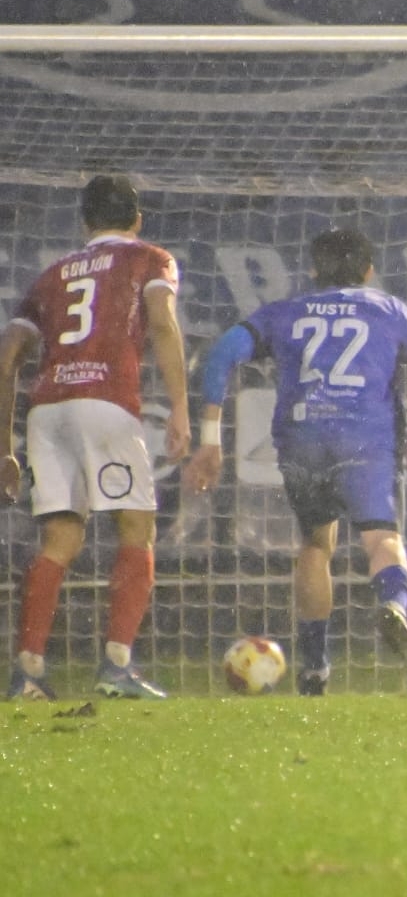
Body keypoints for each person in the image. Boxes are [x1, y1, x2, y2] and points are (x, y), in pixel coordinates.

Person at [183, 227, 407, 695]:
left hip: (302, 437)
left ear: (313, 269)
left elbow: (222, 355)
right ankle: (393, 604)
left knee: (315, 545)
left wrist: (210, 440)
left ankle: (314, 669)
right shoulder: (389, 310)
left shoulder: (285, 312)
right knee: (381, 539)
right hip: (366, 438)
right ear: (369, 271)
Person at [2, 174, 192, 700]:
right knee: (136, 528)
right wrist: (179, 407)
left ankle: (27, 674)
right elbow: (162, 323)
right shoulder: (149, 259)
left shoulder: (50, 276)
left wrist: (4, 449)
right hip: (105, 403)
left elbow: (6, 358)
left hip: (47, 411)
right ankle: (116, 668)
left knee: (59, 540)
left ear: (85, 222)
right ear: (137, 218)